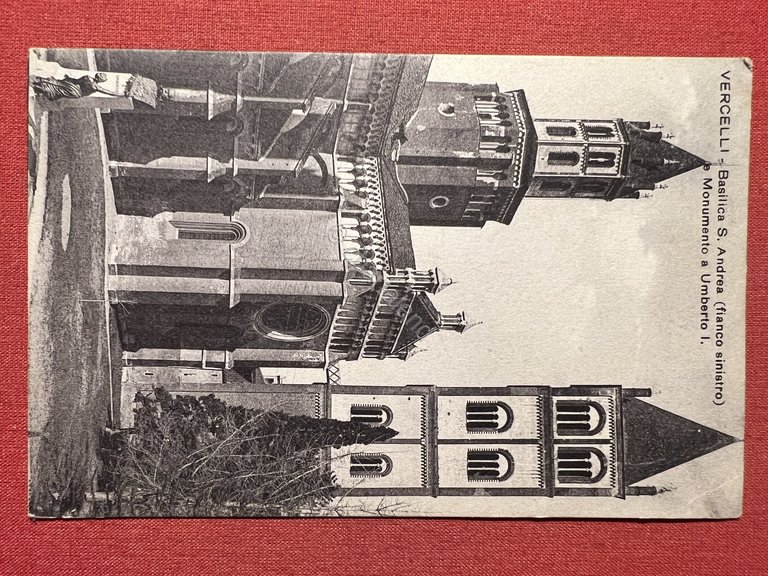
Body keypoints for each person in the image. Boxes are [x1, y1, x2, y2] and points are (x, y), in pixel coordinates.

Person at [31, 72, 109, 101]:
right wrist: (121, 94)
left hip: (72, 86)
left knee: (56, 83)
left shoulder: (87, 77)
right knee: (57, 92)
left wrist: (68, 78)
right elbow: (109, 92)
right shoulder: (97, 88)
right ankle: (37, 87)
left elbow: (77, 81)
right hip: (76, 94)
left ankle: (38, 81)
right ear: (101, 81)